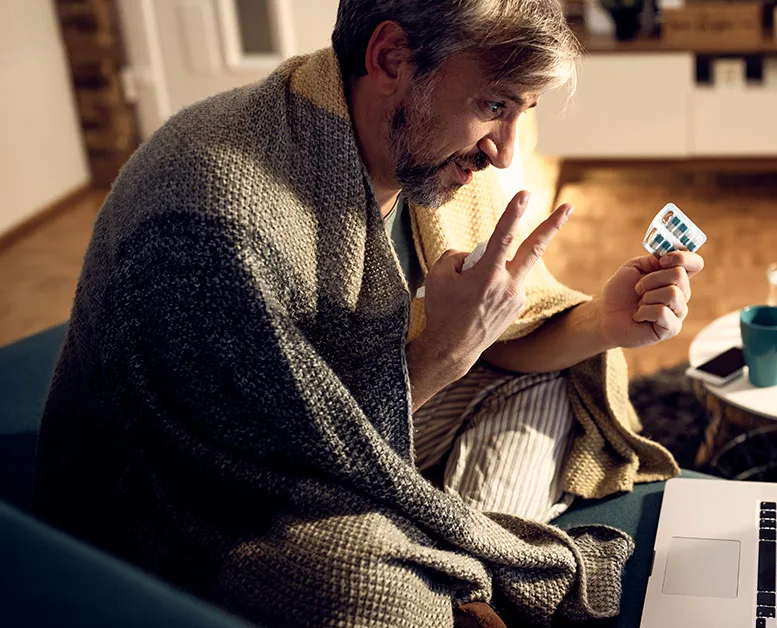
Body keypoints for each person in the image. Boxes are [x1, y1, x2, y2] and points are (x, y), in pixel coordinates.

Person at [34, 1, 702, 625]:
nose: (503, 149)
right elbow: (261, 472)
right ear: (389, 59)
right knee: (371, 592)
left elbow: (503, 346)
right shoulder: (216, 209)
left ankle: (452, 555)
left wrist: (608, 323)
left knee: (554, 381)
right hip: (191, 489)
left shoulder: (439, 160)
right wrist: (442, 349)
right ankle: (460, 557)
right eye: (493, 105)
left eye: (521, 110)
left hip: (365, 418)